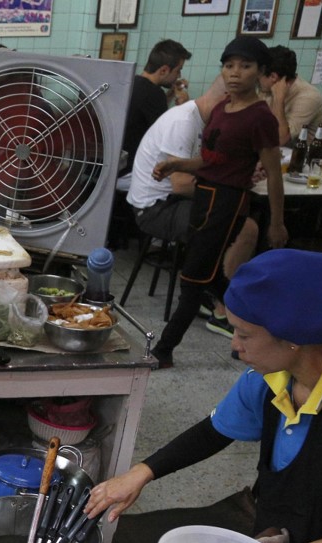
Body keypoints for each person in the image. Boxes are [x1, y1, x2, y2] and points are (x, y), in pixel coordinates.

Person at [85, 249, 322, 543]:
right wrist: (141, 472)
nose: (234, 346)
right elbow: (214, 432)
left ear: (294, 339)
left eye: (244, 335)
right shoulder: (267, 380)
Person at [148, 36, 286, 370]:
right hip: (204, 196)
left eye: (245, 66)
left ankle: (163, 351)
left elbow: (273, 172)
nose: (235, 73)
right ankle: (267, 332)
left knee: (194, 277)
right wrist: (177, 164)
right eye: (229, 65)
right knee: (212, 276)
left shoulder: (259, 118)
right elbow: (210, 160)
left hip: (227, 203)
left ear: (261, 72)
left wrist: (277, 222)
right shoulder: (222, 108)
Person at [126, 76, 258, 338]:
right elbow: (181, 184)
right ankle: (222, 311)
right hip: (155, 208)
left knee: (234, 218)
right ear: (225, 101)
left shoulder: (205, 120)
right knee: (244, 228)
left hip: (175, 200)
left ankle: (205, 290)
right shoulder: (184, 122)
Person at [121, 40, 193, 175]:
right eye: (178, 71)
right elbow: (169, 133)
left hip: (116, 163)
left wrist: (171, 94)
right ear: (164, 70)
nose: (179, 76)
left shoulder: (133, 83)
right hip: (130, 169)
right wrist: (184, 106)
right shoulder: (154, 93)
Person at [261, 46, 322, 147]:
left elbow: (279, 140)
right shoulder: (266, 89)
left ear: (273, 77)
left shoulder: (309, 97)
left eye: (259, 75)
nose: (256, 79)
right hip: (279, 153)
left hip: (306, 158)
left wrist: (278, 100)